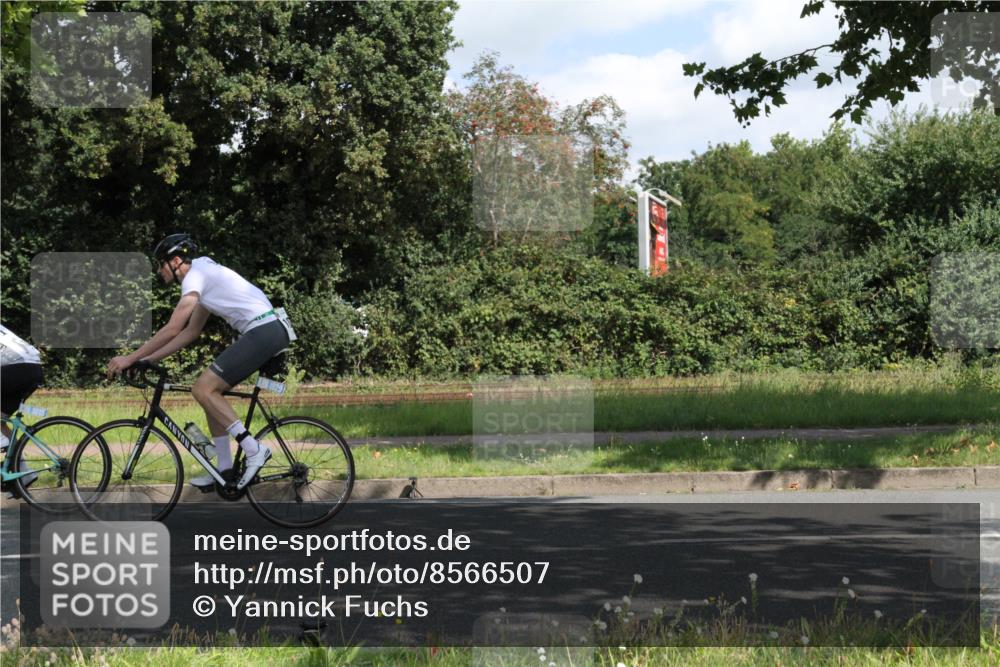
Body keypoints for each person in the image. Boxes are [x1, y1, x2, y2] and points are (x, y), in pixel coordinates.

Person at [107, 234, 296, 490]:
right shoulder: (205, 275)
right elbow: (189, 332)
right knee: (209, 395)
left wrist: (129, 358)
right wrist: (147, 360)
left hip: (263, 330)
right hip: (266, 330)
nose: (158, 271)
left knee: (202, 389)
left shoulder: (195, 277)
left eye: (160, 264)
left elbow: (173, 327)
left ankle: (254, 450)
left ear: (175, 261)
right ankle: (224, 469)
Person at [1, 324, 44, 491]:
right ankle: (25, 472)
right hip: (31, 368)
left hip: (17, 369)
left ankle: (4, 442)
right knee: (0, 420)